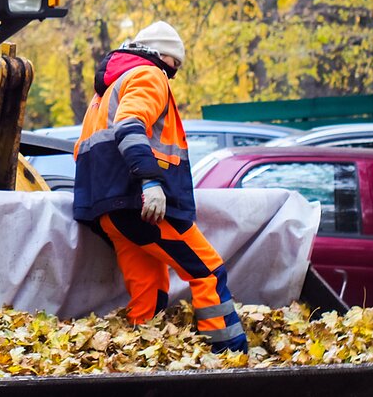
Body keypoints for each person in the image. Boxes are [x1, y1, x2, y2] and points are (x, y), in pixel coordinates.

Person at [72, 21, 248, 353]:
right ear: (161, 57)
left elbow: (85, 151)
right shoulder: (148, 75)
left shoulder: (105, 92)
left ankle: (142, 359)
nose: (171, 76)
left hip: (111, 211)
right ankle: (228, 356)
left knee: (148, 292)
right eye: (174, 67)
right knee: (208, 270)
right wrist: (150, 181)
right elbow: (130, 126)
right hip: (143, 205)